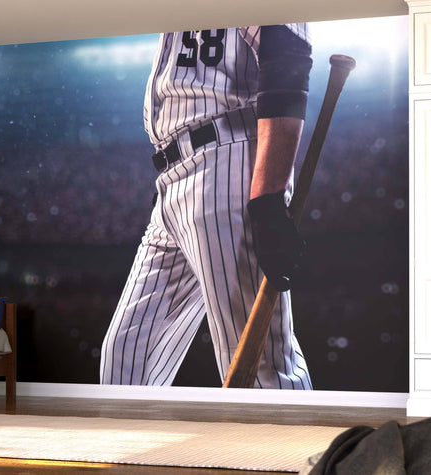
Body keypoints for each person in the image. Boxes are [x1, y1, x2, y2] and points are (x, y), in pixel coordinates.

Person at [100, 24, 313, 390]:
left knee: (259, 366)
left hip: (227, 159)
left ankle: (297, 450)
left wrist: (267, 198)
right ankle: (135, 450)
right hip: (174, 173)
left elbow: (286, 53)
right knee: (127, 356)